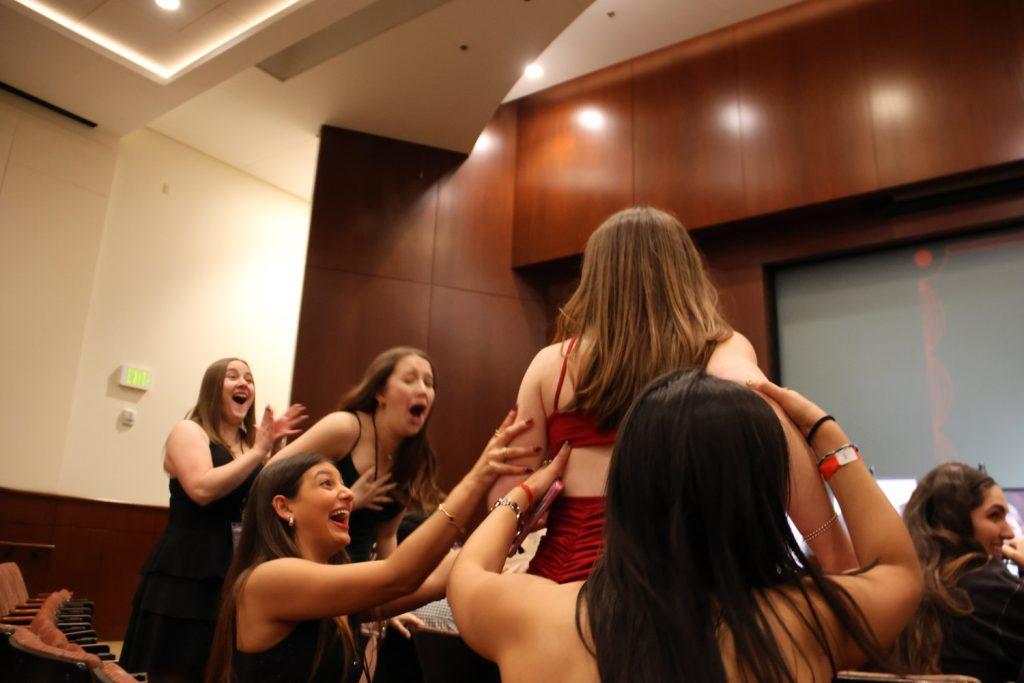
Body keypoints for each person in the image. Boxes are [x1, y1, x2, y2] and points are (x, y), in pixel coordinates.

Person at [451, 371, 922, 682]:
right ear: (762, 495)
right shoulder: (804, 621)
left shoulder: (535, 618)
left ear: (624, 487)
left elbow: (468, 570)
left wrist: (528, 491)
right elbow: (898, 569)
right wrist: (826, 435)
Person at [490, 206, 855, 583]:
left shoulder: (551, 365)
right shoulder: (720, 350)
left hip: (564, 589)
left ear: (596, 278)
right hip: (685, 590)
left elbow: (503, 494)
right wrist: (833, 553)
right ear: (685, 272)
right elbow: (773, 423)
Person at [205, 408, 543, 683]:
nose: (349, 494)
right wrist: (482, 475)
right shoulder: (267, 580)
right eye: (326, 483)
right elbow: (400, 575)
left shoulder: (332, 589)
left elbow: (444, 575)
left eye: (343, 484)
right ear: (284, 507)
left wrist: (510, 523)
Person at [120, 358, 307, 683]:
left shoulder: (247, 448)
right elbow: (201, 488)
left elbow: (258, 505)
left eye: (249, 378)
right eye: (232, 376)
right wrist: (258, 452)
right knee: (175, 671)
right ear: (212, 388)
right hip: (186, 571)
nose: (244, 383)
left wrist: (270, 454)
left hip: (231, 571)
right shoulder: (189, 430)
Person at [895, 462, 1024, 682]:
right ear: (956, 520)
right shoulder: (991, 587)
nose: (1009, 531)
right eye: (994, 516)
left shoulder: (896, 587)